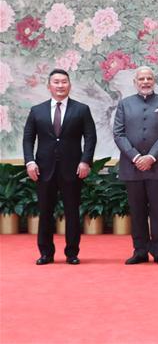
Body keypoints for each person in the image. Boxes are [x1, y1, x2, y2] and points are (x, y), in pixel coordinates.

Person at [23, 68, 97, 265]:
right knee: (45, 212)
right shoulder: (36, 110)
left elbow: (90, 138)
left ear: (69, 85)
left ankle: (72, 253)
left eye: (64, 82)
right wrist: (30, 161)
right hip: (43, 169)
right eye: (56, 82)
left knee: (72, 212)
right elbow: (28, 139)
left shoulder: (81, 109)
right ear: (49, 86)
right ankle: (46, 253)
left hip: (73, 169)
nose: (60, 85)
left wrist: (85, 161)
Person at [113, 66, 158, 265]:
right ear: (135, 82)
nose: (146, 82)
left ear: (154, 81)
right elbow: (119, 134)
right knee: (137, 210)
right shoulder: (124, 104)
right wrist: (135, 157)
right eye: (141, 78)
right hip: (132, 167)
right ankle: (139, 250)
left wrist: (150, 157)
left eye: (149, 78)